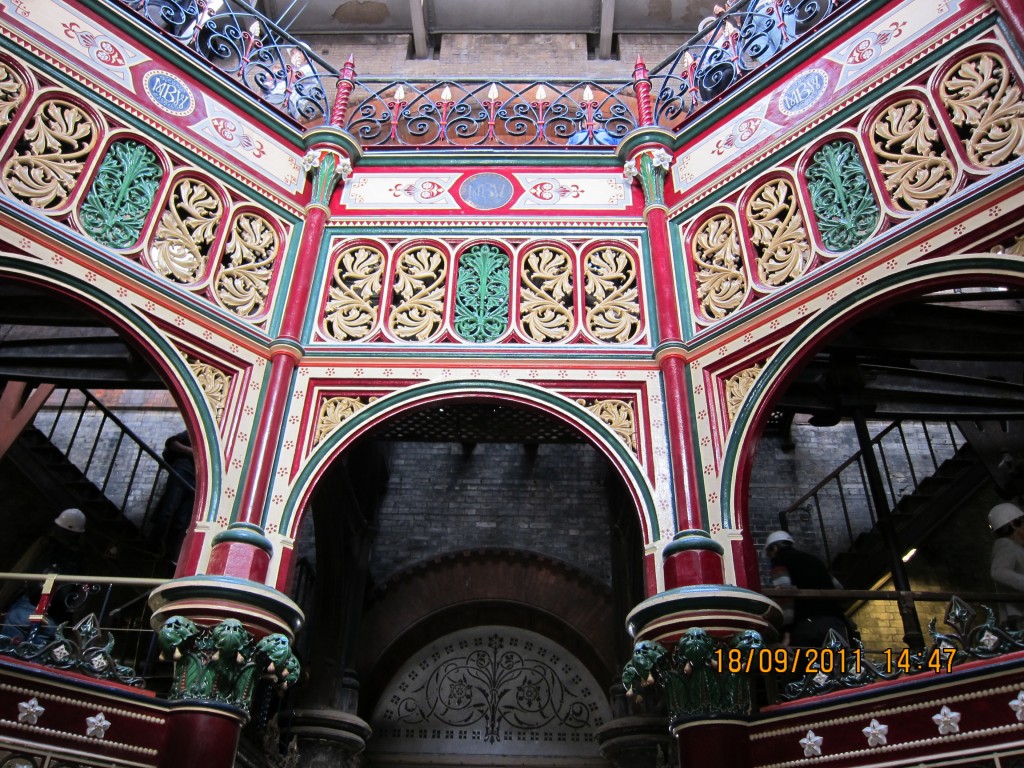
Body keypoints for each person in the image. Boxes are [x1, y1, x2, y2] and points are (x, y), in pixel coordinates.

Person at [0, 508, 87, 641]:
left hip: (32, 607)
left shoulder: (46, 545)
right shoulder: (79, 558)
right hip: (53, 615)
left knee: (10, 636)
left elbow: (20, 571)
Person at [763, 530, 852, 647]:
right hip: (835, 621)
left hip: (806, 625)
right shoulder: (815, 560)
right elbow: (839, 589)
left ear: (774, 548)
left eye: (770, 554)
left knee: (804, 663)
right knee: (840, 662)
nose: (771, 558)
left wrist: (785, 630)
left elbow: (784, 596)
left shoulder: (780, 562)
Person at [151, 430, 196, 563]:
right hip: (184, 471)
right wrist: (192, 452)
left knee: (182, 521)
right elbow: (171, 443)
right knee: (169, 510)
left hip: (197, 480)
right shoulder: (200, 431)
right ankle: (155, 544)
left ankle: (169, 553)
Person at [988, 502, 1024, 625]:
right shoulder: (1005, 544)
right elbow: (999, 572)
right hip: (1017, 617)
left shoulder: (1018, 548)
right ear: (1015, 524)